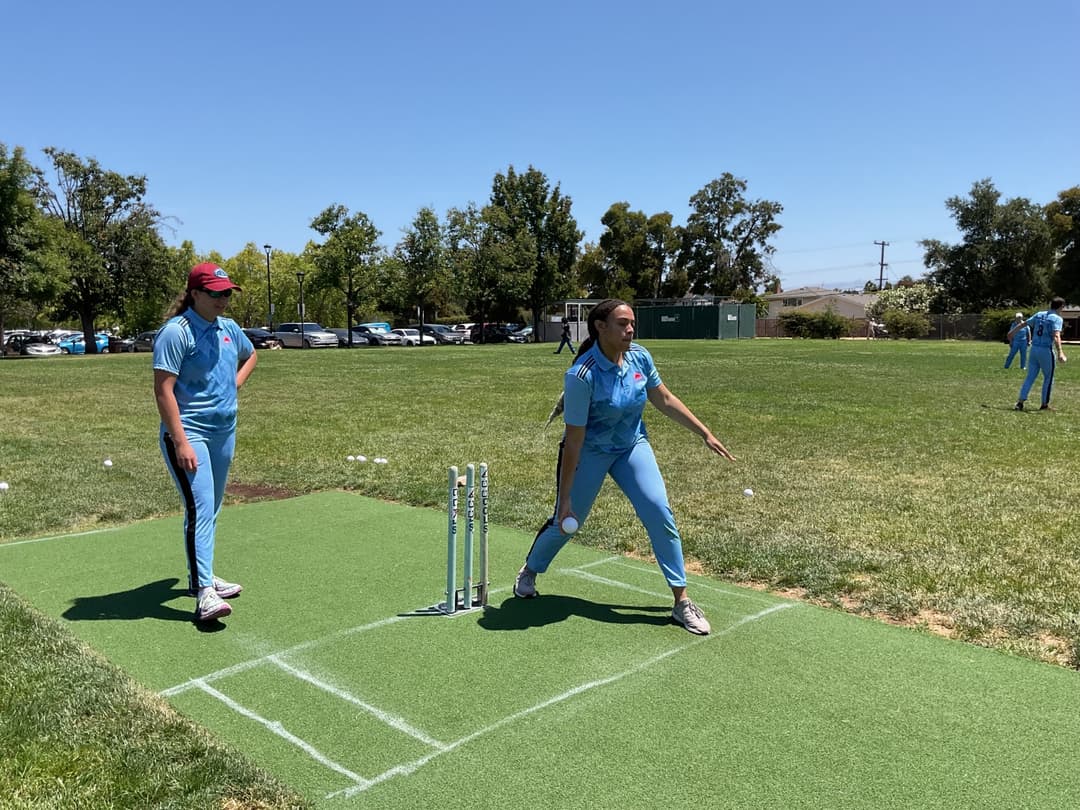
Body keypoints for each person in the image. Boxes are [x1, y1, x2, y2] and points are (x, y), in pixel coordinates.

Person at [516, 299, 736, 635]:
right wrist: (564, 501)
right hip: (589, 450)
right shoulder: (581, 375)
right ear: (600, 327)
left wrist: (704, 433)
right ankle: (531, 570)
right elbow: (573, 440)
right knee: (568, 522)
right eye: (622, 323)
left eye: (632, 322)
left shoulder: (640, 357)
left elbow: (663, 398)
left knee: (659, 511)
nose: (629, 329)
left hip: (632, 446)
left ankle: (681, 602)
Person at [153, 263, 257, 622]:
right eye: (215, 293)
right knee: (199, 508)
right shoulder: (175, 332)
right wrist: (180, 441)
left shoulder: (228, 328)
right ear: (194, 294)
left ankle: (205, 574)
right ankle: (204, 593)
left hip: (223, 431)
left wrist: (234, 384)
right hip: (189, 432)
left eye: (227, 292)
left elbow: (251, 354)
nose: (223, 300)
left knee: (210, 510)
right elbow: (163, 390)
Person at [1011, 297, 1067, 411]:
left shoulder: (1040, 314)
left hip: (1034, 349)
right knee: (1048, 378)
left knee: (1030, 377)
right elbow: (1056, 336)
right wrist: (1060, 352)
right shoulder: (1057, 318)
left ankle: (1020, 402)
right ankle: (1044, 404)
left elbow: (1024, 324)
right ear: (1061, 307)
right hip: (1045, 350)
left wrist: (1012, 332)